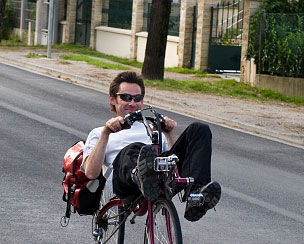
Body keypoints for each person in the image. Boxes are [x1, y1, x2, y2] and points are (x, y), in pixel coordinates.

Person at [82, 71, 220, 221]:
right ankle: (141, 175)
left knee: (199, 129)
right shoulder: (99, 133)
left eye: (137, 98)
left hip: (159, 176)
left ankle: (196, 195)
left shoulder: (153, 128)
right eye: (126, 97)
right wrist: (106, 133)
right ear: (112, 99)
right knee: (135, 148)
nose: (132, 103)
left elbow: (176, 161)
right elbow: (91, 173)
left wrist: (168, 133)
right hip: (127, 183)